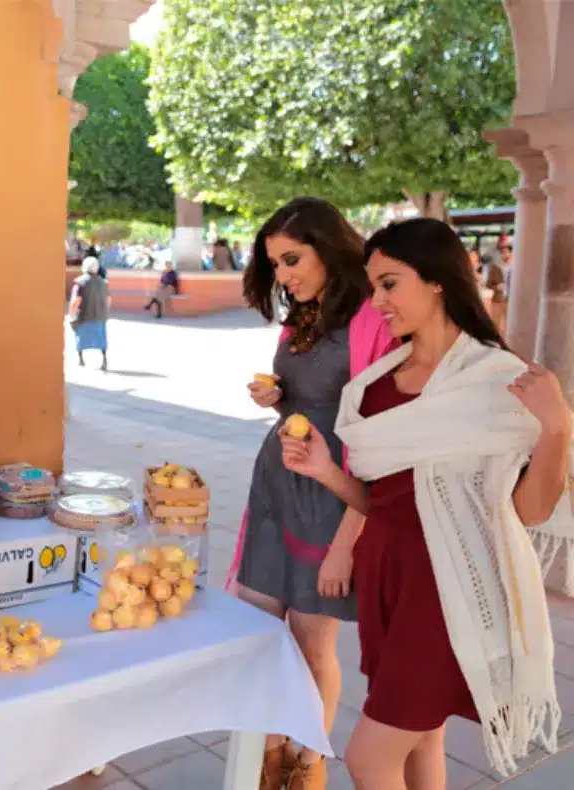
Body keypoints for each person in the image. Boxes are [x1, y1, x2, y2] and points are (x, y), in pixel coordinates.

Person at [280, 218, 566, 790]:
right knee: (421, 741)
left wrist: (558, 429)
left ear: (437, 280)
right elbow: (379, 499)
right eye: (373, 286)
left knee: (369, 758)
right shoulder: (376, 384)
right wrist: (326, 472)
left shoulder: (497, 381)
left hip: (448, 586)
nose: (377, 301)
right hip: (387, 576)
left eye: (390, 283)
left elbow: (531, 513)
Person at [230, 197, 396, 790]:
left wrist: (348, 542)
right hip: (277, 485)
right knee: (259, 629)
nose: (284, 275)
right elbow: (306, 396)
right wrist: (277, 400)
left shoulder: (372, 322)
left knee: (309, 640)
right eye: (274, 264)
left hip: (332, 500)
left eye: (292, 259)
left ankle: (305, 762)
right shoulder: (298, 318)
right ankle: (265, 757)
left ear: (329, 248)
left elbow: (380, 442)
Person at [69, 256, 109, 370]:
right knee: (101, 339)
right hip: (100, 316)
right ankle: (104, 360)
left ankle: (81, 359)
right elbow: (108, 300)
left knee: (80, 338)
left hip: (84, 316)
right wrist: (105, 311)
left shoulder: (79, 282)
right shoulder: (103, 282)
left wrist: (72, 314)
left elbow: (75, 300)